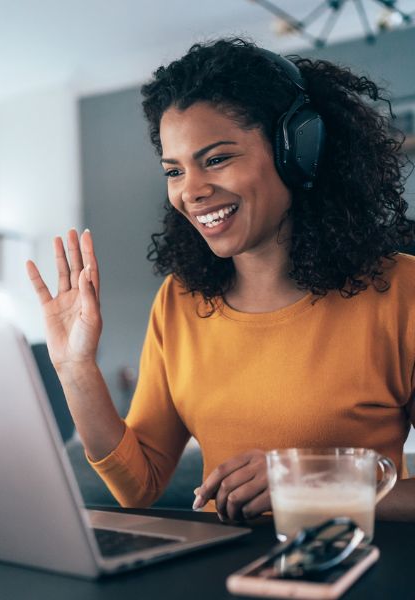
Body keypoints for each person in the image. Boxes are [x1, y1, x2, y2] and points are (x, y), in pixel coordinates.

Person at [25, 38, 415, 523]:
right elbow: (137, 486)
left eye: (215, 159)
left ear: (298, 150)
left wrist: (306, 485)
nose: (191, 191)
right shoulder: (180, 302)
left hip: (351, 573)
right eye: (174, 170)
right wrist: (76, 368)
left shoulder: (401, 292)